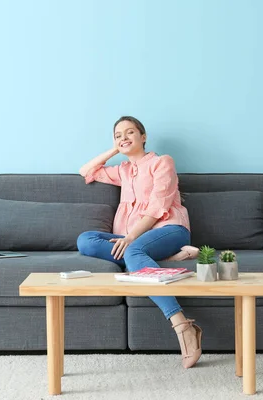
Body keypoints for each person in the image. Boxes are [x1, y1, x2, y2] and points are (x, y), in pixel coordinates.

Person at [77, 116, 202, 369]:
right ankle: (161, 260)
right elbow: (86, 171)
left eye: (130, 132)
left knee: (134, 250)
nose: (124, 137)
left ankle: (182, 325)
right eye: (118, 134)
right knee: (85, 240)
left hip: (169, 229)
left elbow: (158, 208)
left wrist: (132, 237)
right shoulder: (122, 170)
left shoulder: (161, 162)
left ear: (143, 137)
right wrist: (116, 149)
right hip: (133, 240)